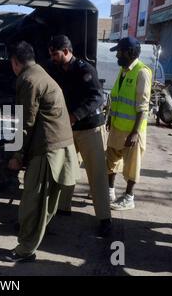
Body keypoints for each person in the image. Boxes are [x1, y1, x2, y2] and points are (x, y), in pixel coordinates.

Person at [4, 41, 79, 262]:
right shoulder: (41, 73)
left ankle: (25, 249)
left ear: (15, 62)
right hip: (60, 146)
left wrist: (16, 156)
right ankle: (31, 239)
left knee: (32, 203)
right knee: (45, 203)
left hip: (48, 150)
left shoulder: (28, 80)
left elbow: (25, 123)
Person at [48, 35, 112, 237]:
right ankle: (63, 207)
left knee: (97, 173)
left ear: (66, 51)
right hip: (68, 128)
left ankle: (104, 218)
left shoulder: (86, 69)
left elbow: (97, 97)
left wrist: (75, 115)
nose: (53, 58)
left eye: (56, 54)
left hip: (89, 128)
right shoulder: (58, 71)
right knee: (66, 167)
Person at [107, 37, 152, 211]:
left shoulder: (142, 72)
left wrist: (134, 133)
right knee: (110, 160)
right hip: (118, 126)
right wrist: (111, 118)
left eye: (119, 51)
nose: (117, 55)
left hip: (132, 130)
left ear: (130, 53)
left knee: (132, 165)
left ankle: (129, 197)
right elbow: (117, 98)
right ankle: (110, 191)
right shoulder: (124, 70)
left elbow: (143, 106)